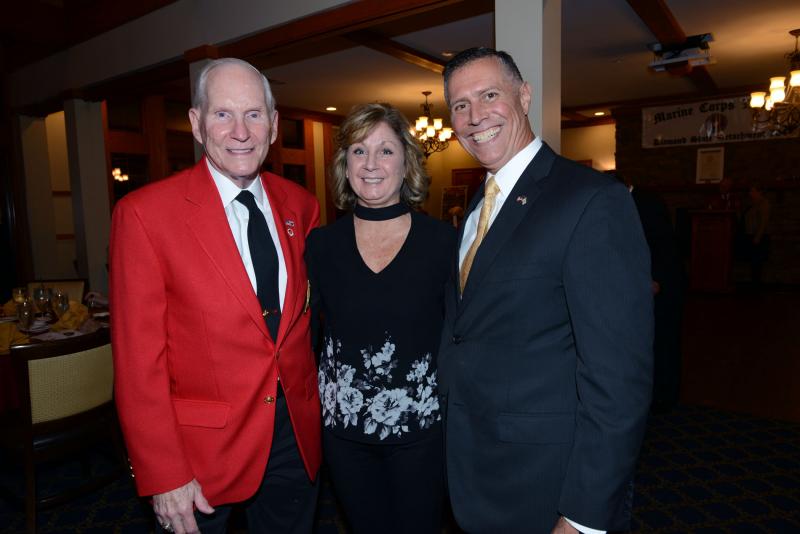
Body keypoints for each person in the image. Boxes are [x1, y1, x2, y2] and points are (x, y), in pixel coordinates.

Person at [437, 47, 654, 534]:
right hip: (476, 466)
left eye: (489, 95)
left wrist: (582, 516)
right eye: (460, 105)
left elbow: (619, 380)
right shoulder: (477, 208)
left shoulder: (592, 201)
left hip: (548, 484)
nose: (474, 117)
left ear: (524, 95)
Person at [110, 58, 321, 534]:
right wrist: (164, 474)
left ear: (272, 125)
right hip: (200, 453)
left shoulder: (301, 206)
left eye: (254, 114)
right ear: (196, 124)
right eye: (223, 114)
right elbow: (138, 364)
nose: (241, 131)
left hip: (295, 439)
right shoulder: (144, 215)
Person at [306, 103, 455, 533]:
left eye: (386, 151)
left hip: (421, 432)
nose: (371, 164)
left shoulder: (443, 242)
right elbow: (309, 336)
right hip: (344, 433)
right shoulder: (321, 246)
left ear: (407, 163)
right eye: (358, 151)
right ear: (344, 164)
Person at [743, 182, 771, 286]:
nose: (750, 193)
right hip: (752, 235)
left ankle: (756, 285)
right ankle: (754, 283)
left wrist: (758, 237)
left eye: (752, 191)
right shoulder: (753, 205)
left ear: (759, 192)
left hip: (759, 237)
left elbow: (763, 222)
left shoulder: (764, 204)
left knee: (757, 262)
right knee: (753, 262)